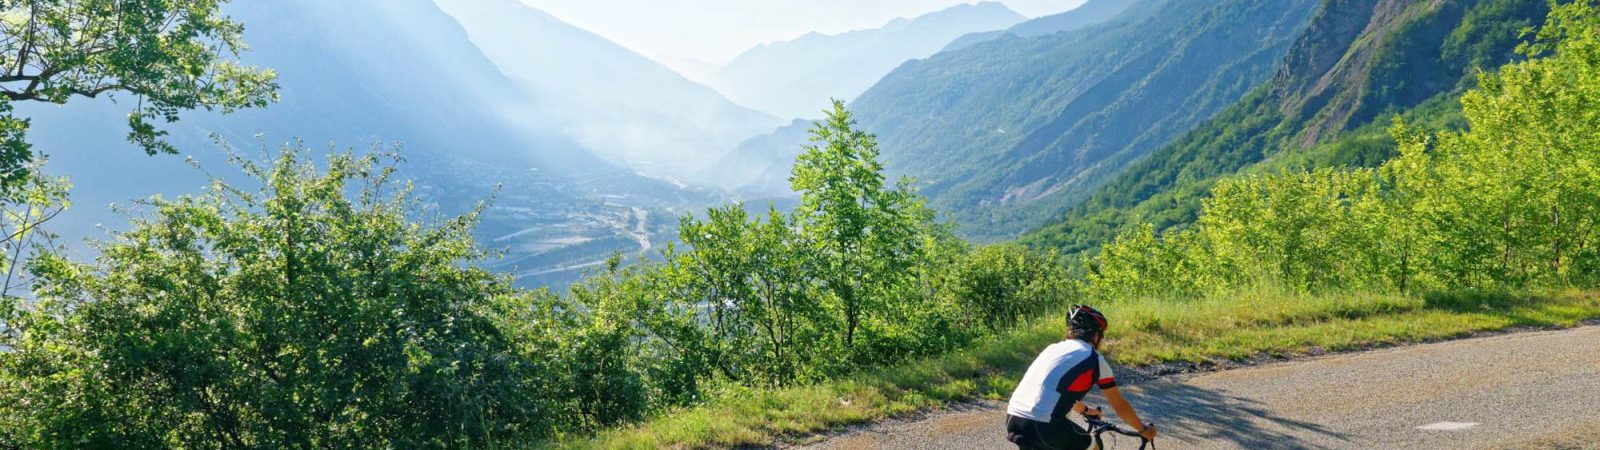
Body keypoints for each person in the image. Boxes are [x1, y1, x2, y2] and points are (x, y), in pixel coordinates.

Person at [1005, 305, 1157, 449]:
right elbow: (1119, 406)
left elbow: (1054, 391)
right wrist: (1143, 429)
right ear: (1096, 336)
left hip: (1014, 419)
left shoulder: (1053, 349)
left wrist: (1085, 410)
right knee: (1093, 447)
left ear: (1070, 331)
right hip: (1043, 424)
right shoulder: (1094, 359)